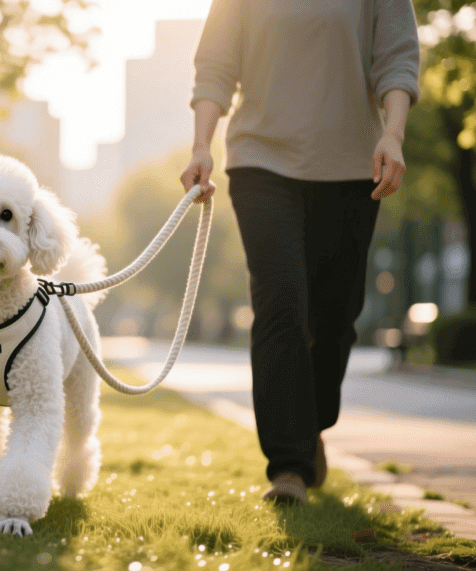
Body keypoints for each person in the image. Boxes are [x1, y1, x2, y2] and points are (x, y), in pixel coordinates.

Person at [180, 0, 420, 504]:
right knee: (281, 304)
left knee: (336, 317)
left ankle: (311, 428)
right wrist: (201, 145)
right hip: (260, 162)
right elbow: (216, 68)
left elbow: (397, 59)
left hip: (355, 168)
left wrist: (393, 136)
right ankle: (289, 465)